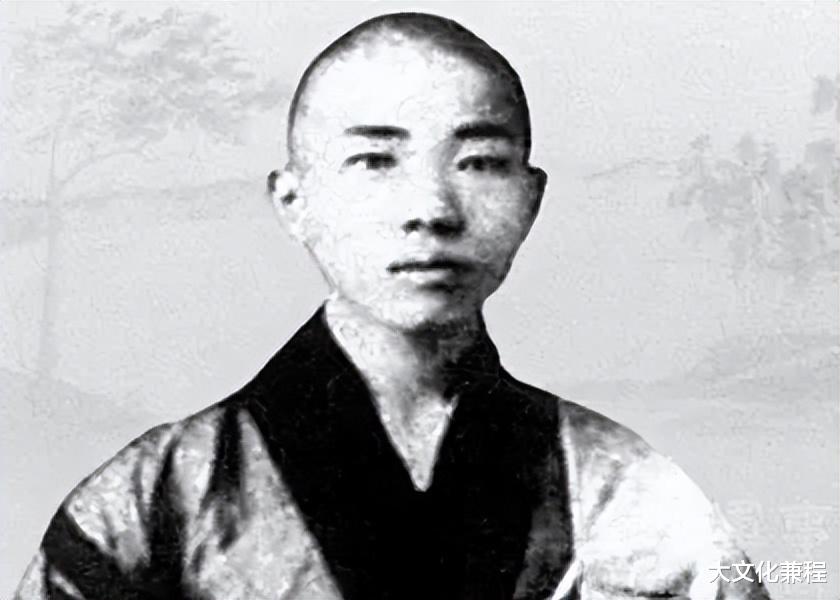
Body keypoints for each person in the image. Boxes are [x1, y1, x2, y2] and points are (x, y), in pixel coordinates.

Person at [15, 12, 770, 600]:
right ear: (293, 200)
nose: (431, 209)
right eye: (375, 159)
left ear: (531, 197)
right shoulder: (157, 495)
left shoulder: (629, 485)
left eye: (479, 162)